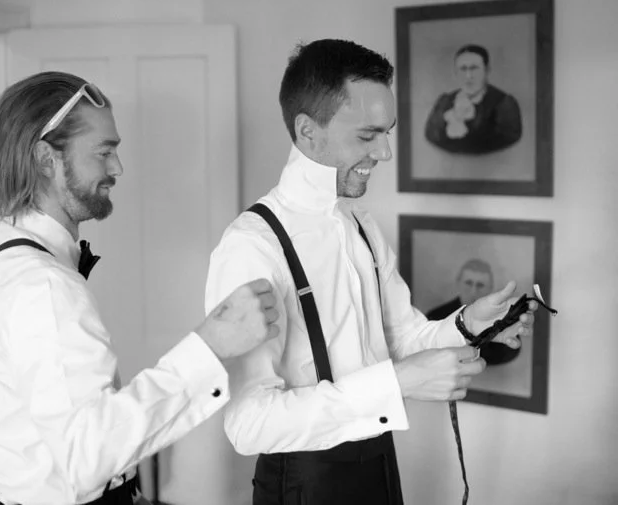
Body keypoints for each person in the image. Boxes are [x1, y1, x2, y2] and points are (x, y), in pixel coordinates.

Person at [204, 39, 536, 505]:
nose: (385, 153)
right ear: (307, 132)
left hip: (380, 467)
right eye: (367, 135)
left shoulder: (361, 225)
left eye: (388, 133)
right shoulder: (251, 247)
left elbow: (402, 337)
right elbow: (248, 424)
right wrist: (397, 383)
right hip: (302, 484)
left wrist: (467, 326)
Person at [0, 72, 280, 505]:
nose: (117, 168)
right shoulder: (42, 287)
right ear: (45, 159)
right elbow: (85, 458)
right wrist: (212, 342)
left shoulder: (9, 255)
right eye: (103, 152)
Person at [424, 44, 522, 154]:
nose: (468, 76)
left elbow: (507, 138)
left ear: (487, 70)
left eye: (474, 68)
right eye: (463, 69)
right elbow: (432, 135)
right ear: (456, 72)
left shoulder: (504, 103)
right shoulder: (445, 101)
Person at [426, 259, 521, 365]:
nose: (473, 291)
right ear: (458, 283)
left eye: (480, 285)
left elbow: (509, 353)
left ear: (490, 288)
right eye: (468, 283)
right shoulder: (435, 316)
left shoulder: (503, 317)